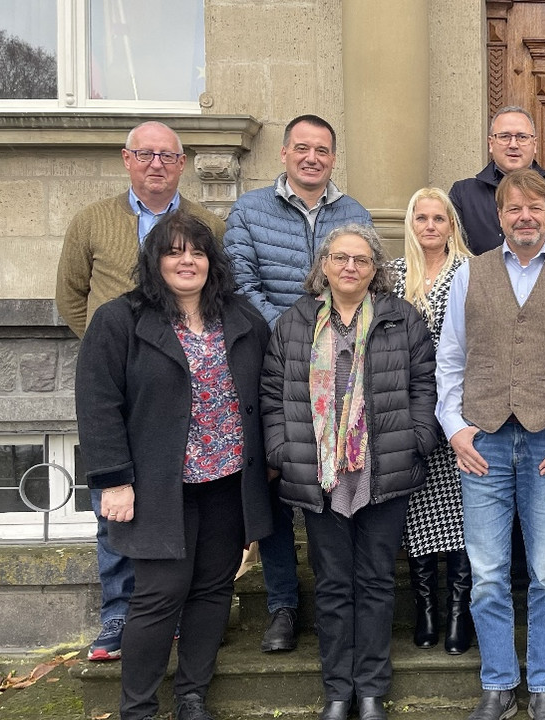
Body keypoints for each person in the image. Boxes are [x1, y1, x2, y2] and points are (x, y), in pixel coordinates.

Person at [75, 210, 273, 720]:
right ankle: (137, 708)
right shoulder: (121, 320)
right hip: (160, 485)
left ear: (212, 261)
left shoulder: (242, 317)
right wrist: (113, 479)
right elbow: (98, 404)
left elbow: (267, 394)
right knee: (159, 596)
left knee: (212, 591)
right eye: (174, 251)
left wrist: (270, 462)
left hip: (229, 480)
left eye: (198, 251)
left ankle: (191, 698)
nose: (187, 260)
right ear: (155, 260)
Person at [437, 170, 545, 720]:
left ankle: (544, 687)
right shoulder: (470, 274)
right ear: (500, 216)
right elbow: (451, 360)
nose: (525, 217)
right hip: (482, 438)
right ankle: (498, 684)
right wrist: (455, 428)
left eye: (536, 207)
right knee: (487, 572)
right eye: (515, 209)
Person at [55, 120, 224, 663]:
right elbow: (70, 295)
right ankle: (118, 613)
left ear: (182, 163)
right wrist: (115, 357)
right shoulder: (93, 221)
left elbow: (220, 290)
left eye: (168, 156)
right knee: (117, 498)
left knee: (172, 502)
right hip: (124, 384)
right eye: (145, 154)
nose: (156, 164)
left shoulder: (206, 224)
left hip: (187, 387)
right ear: (126, 159)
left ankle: (166, 613)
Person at [261, 224, 440, 720]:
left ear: (375, 268)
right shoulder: (294, 322)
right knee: (334, 585)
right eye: (340, 258)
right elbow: (272, 395)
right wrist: (282, 449)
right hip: (318, 476)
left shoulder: (401, 319)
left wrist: (417, 441)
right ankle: (338, 691)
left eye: (361, 260)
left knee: (378, 582)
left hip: (381, 473)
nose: (350, 268)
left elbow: (426, 386)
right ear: (323, 265)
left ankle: (371, 691)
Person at [225, 114, 373, 654]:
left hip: (342, 375)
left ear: (333, 158)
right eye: (302, 149)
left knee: (336, 482)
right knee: (277, 485)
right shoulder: (249, 210)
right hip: (271, 363)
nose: (312, 158)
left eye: (323, 151)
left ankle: (347, 596)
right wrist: (297, 331)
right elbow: (240, 283)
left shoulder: (353, 212)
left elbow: (365, 278)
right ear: (285, 154)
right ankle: (283, 604)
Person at [387, 188, 476, 654]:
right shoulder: (393, 275)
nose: (429, 226)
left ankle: (460, 612)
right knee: (419, 510)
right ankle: (426, 608)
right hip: (409, 409)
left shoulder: (473, 271)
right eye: (420, 217)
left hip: (460, 408)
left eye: (438, 218)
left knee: (461, 514)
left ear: (451, 224)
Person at [449, 105, 545, 256]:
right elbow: (454, 253)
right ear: (491, 143)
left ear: (534, 144)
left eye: (522, 137)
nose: (513, 145)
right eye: (504, 137)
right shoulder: (463, 194)